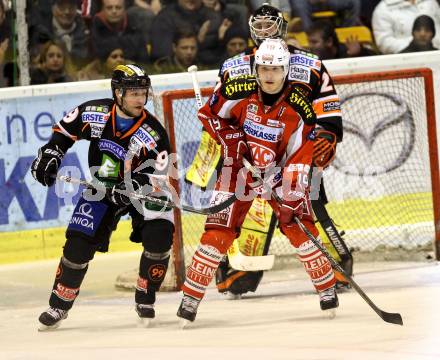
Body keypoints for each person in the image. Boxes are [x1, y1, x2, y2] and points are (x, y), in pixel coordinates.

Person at [186, 3, 350, 298]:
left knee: (305, 208)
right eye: (258, 26)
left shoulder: (310, 64)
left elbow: (327, 105)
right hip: (250, 161)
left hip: (294, 156)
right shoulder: (233, 66)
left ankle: (332, 267)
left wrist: (327, 135)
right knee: (238, 265)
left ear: (283, 28)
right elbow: (215, 117)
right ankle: (237, 270)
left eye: (270, 25)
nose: (264, 32)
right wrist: (206, 166)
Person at [31, 64, 174, 330]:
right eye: (133, 93)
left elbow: (159, 176)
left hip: (142, 190)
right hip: (101, 187)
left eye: (142, 92)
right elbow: (64, 131)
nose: (140, 99)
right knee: (77, 243)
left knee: (161, 235)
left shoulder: (153, 133)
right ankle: (59, 305)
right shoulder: (94, 112)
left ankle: (145, 296)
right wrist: (51, 154)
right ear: (117, 93)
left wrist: (132, 190)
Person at [372, 0, 440, 54]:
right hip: (404, 60)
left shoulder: (430, 2)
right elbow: (384, 43)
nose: (422, 34)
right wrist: (417, 45)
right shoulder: (382, 9)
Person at [306, 20, 377, 59]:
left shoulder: (349, 52)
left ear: (329, 42)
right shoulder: (311, 57)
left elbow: (376, 59)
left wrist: (359, 53)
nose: (310, 46)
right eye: (309, 42)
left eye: (314, 42)